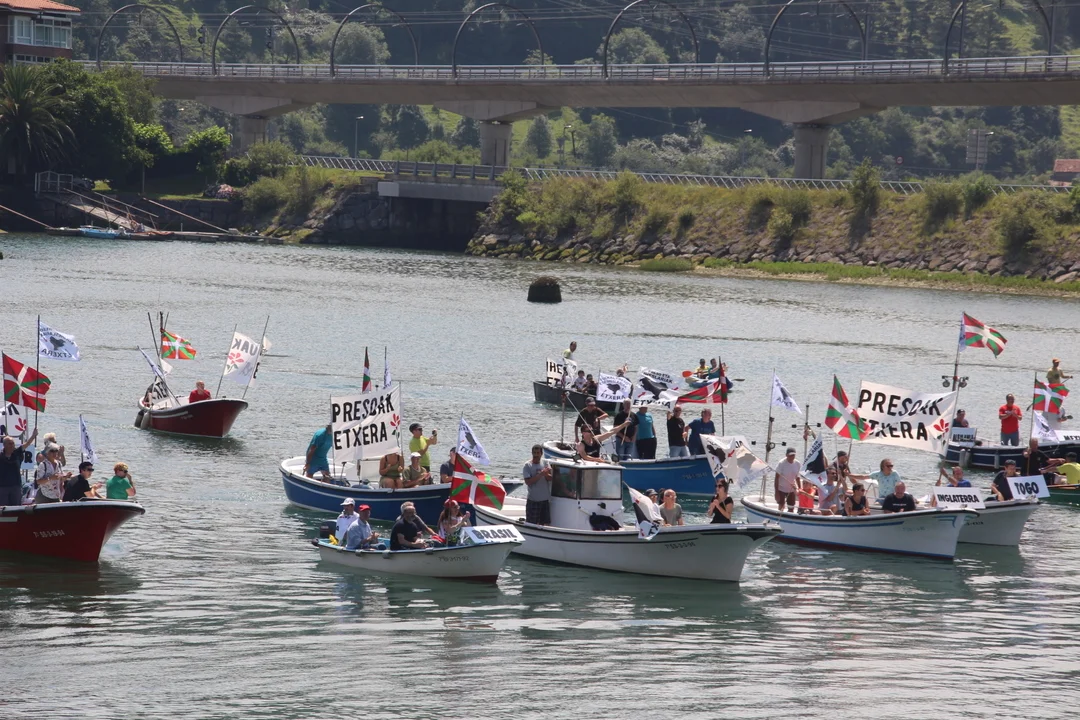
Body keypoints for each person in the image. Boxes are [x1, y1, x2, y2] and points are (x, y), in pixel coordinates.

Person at [0, 429, 36, 506]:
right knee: (3, 508)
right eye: (9, 444)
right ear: (4, 445)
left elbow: (27, 444)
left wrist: (33, 436)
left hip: (16, 486)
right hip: (2, 487)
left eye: (13, 443)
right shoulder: (0, 455)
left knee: (16, 507)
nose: (12, 445)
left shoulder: (17, 453)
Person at [523, 444, 553, 525]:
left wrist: (546, 474)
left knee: (545, 524)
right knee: (531, 524)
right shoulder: (527, 465)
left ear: (541, 453)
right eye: (534, 453)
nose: (536, 455)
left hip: (544, 500)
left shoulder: (545, 463)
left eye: (538, 453)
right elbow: (528, 482)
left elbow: (550, 478)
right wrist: (541, 474)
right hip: (533, 500)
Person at [774, 447, 800, 512]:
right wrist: (776, 492)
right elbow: (776, 478)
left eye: (793, 455)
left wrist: (799, 489)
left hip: (791, 489)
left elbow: (797, 477)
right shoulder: (781, 463)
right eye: (790, 455)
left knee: (791, 506)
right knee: (781, 505)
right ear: (786, 455)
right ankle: (779, 515)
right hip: (781, 488)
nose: (792, 457)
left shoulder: (797, 464)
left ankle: (790, 516)